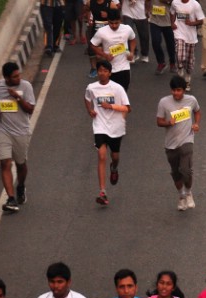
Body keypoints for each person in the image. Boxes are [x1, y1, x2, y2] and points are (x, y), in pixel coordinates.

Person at [0, 62, 36, 213]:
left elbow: (30, 109)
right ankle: (11, 198)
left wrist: (18, 98)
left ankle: (20, 186)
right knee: (5, 163)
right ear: (6, 78)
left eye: (19, 75)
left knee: (21, 164)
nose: (18, 78)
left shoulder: (26, 86)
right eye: (15, 76)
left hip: (21, 132)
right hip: (3, 130)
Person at [84, 60, 130, 206]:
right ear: (97, 72)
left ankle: (114, 167)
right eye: (100, 70)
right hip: (100, 126)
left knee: (114, 156)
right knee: (101, 155)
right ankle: (102, 192)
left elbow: (127, 108)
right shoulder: (92, 87)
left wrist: (110, 106)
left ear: (110, 73)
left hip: (116, 127)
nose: (102, 73)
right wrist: (90, 110)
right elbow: (87, 99)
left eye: (105, 71)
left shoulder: (117, 89)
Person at [156, 74, 202, 210]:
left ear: (184, 90)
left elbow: (197, 111)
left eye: (179, 90)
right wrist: (168, 122)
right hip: (170, 144)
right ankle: (181, 196)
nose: (176, 93)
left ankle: (188, 193)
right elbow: (158, 122)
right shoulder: (164, 103)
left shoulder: (191, 100)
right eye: (174, 90)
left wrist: (196, 124)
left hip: (187, 140)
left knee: (186, 170)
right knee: (176, 173)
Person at [90, 16, 137, 91]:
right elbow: (93, 45)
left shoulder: (127, 29)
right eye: (111, 23)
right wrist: (105, 55)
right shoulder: (101, 31)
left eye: (116, 23)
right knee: (110, 94)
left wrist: (132, 52)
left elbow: (133, 39)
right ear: (108, 21)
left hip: (124, 67)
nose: (114, 25)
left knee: (123, 92)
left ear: (120, 21)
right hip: (108, 69)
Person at [172, 0, 206, 87]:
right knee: (180, 55)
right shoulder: (175, 2)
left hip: (191, 36)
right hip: (179, 32)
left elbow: (201, 20)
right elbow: (172, 12)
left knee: (189, 61)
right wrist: (172, 23)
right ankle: (180, 68)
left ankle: (187, 78)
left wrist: (192, 23)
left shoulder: (195, 4)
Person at [148, 0, 176, 73]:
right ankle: (161, 62)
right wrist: (147, 11)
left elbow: (173, 3)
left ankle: (172, 63)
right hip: (154, 21)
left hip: (168, 21)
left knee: (170, 44)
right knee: (155, 42)